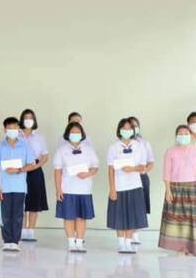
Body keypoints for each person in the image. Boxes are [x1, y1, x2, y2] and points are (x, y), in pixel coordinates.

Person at [158, 125, 196, 256]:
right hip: (175, 189)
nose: (183, 136)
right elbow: (167, 172)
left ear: (190, 136)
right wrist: (168, 191)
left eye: (186, 133)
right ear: (176, 136)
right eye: (181, 133)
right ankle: (179, 247)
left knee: (192, 220)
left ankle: (191, 247)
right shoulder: (170, 151)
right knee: (177, 220)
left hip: (193, 189)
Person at [53, 122, 98, 252]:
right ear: (67, 134)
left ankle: (79, 242)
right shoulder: (62, 150)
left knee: (82, 217)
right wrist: (58, 189)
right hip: (67, 189)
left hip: (84, 189)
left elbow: (95, 167)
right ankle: (71, 242)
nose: (75, 134)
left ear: (82, 134)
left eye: (78, 132)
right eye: (72, 132)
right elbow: (57, 170)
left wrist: (87, 174)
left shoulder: (89, 149)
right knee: (69, 217)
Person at [0, 117, 36, 252]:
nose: (12, 130)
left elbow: (32, 164)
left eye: (15, 128)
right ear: (4, 129)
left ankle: (15, 241)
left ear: (18, 129)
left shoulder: (25, 145)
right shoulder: (0, 147)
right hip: (4, 187)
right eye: (9, 128)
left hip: (19, 187)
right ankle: (7, 240)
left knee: (18, 215)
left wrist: (19, 170)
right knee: (5, 215)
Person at [107, 118, 148, 254]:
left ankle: (128, 242)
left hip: (134, 185)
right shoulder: (113, 147)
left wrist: (132, 169)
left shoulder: (139, 146)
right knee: (119, 215)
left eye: (129, 128)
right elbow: (111, 169)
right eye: (124, 128)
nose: (126, 131)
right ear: (119, 130)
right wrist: (112, 188)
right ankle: (121, 243)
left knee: (132, 215)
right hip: (119, 186)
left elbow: (143, 166)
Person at [19, 108, 49, 242]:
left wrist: (35, 167)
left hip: (35, 169)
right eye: (26, 118)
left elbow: (45, 156)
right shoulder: (16, 136)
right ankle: (21, 230)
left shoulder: (39, 137)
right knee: (21, 200)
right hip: (20, 169)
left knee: (34, 201)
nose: (28, 120)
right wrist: (22, 168)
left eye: (30, 118)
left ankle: (30, 231)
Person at [128, 116, 154, 244]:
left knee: (139, 207)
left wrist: (144, 170)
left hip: (141, 177)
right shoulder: (119, 144)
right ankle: (127, 234)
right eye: (131, 126)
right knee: (128, 205)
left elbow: (151, 162)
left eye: (135, 126)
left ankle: (135, 234)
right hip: (126, 178)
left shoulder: (144, 143)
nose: (133, 128)